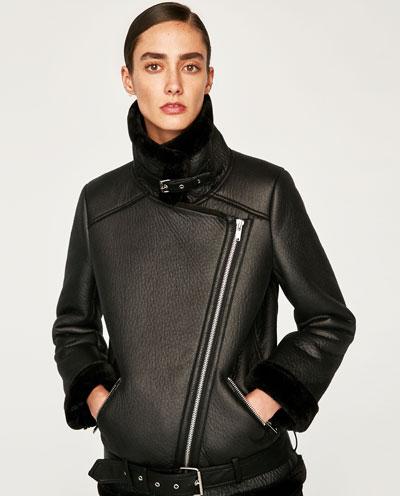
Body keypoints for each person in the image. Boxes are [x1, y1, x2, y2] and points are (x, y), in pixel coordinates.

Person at [51, 3, 356, 496]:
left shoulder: (265, 191)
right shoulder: (100, 202)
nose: (173, 84)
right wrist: (103, 403)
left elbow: (329, 320)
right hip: (129, 483)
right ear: (128, 78)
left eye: (189, 66)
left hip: (249, 482)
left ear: (209, 78)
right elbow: (73, 327)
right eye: (154, 65)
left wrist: (256, 407)